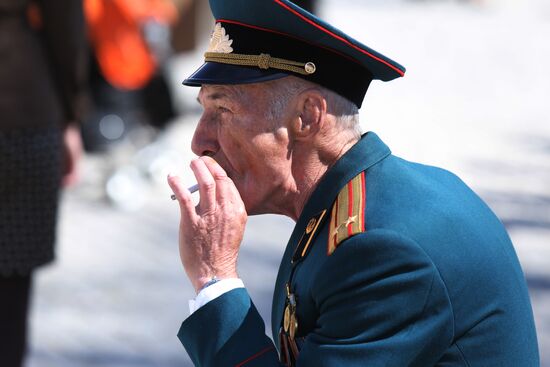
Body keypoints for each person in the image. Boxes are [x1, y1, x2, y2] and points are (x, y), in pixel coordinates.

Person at [167, 0, 539, 365]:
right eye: (204, 109)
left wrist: (214, 278)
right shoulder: (354, 209)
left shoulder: (381, 251)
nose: (200, 141)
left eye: (223, 110)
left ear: (307, 117)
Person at [0, 1, 87, 366]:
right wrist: (73, 116)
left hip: (23, 110)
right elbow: (66, 27)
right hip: (22, 107)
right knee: (12, 283)